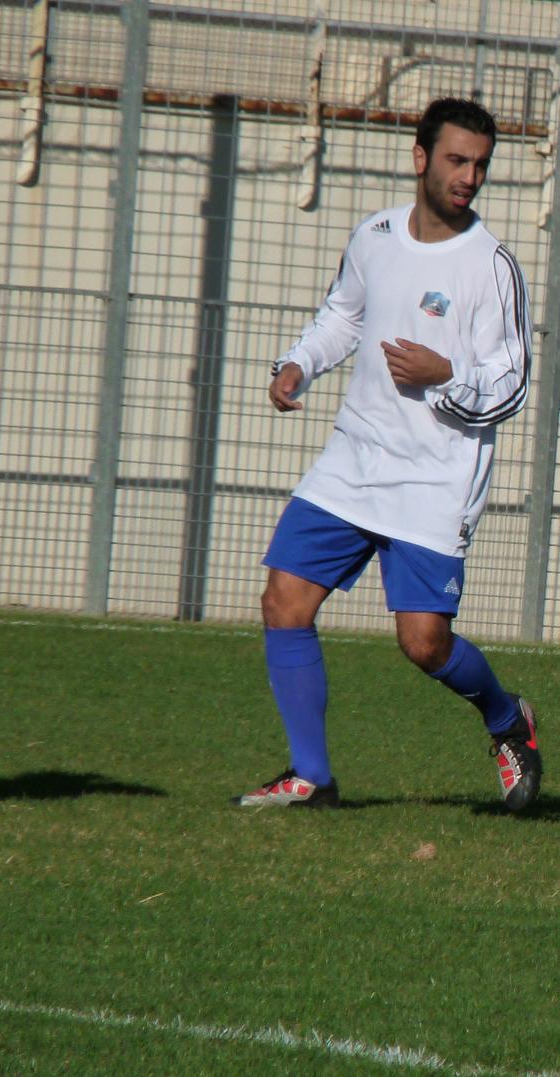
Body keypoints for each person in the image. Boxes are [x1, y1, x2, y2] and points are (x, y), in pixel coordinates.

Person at [232, 97, 540, 813]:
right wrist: (298, 365)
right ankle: (311, 775)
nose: (470, 176)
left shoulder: (491, 266)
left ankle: (504, 717)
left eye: (481, 165)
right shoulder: (374, 235)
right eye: (458, 160)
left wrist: (446, 379)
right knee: (284, 599)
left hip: (435, 475)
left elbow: (513, 383)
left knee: (424, 644)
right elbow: (342, 314)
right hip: (353, 460)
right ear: (421, 157)